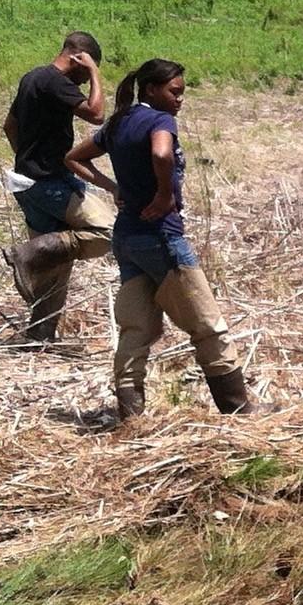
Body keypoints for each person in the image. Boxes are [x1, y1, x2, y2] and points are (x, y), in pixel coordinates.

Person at [67, 59, 250, 419]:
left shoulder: (120, 121)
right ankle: (238, 409)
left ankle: (131, 415)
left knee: (136, 328)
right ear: (151, 89)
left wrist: (112, 187)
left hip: (127, 239)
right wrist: (165, 194)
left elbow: (73, 157)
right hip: (160, 237)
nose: (180, 99)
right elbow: (161, 153)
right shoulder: (159, 121)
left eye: (182, 92)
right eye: (174, 91)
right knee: (208, 325)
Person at [0, 30, 113, 342]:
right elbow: (97, 114)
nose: (80, 83)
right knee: (107, 230)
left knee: (55, 260)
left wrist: (27, 157)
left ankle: (40, 334)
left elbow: (9, 125)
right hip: (50, 181)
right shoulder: (56, 80)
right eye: (84, 69)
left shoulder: (31, 78)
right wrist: (94, 72)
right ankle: (27, 253)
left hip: (26, 181)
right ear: (77, 58)